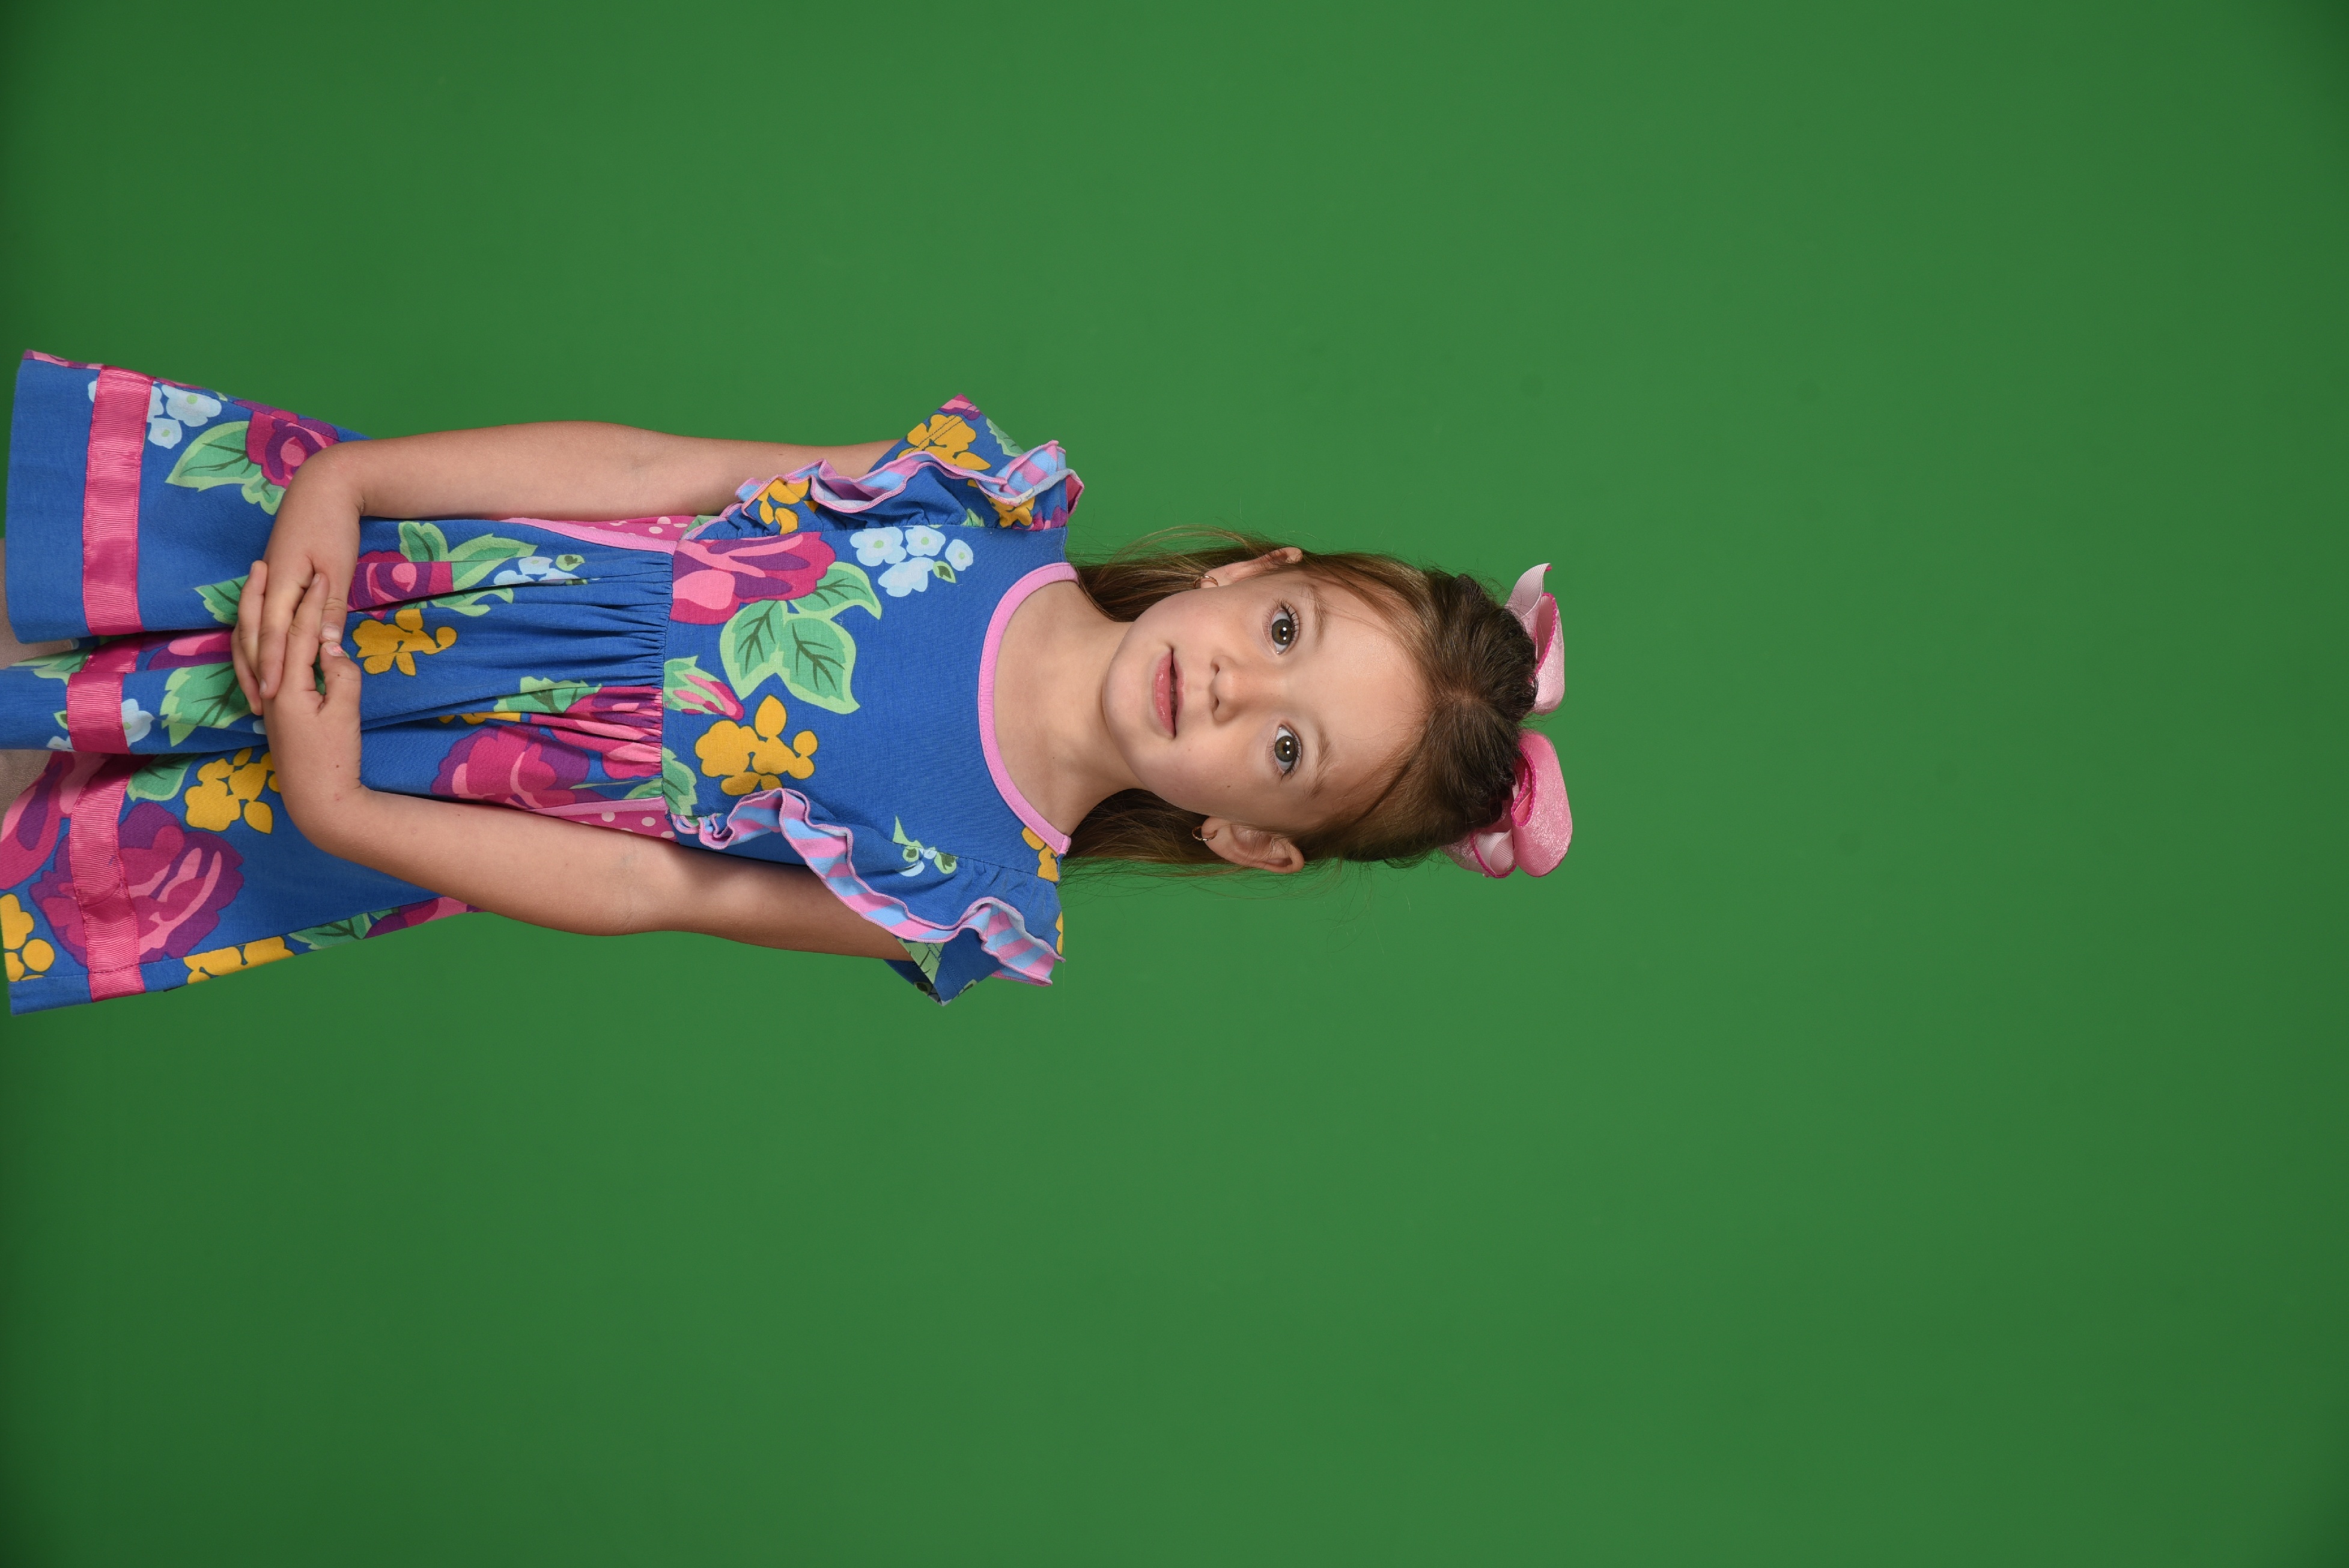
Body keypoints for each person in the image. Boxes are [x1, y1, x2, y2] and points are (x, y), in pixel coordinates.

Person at [0, 351, 1570, 1013]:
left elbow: (652, 892)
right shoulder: (978, 500)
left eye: (1287, 752)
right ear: (1256, 572)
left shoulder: (966, 892)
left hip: (399, 779)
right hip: (390, 563)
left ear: (1249, 838)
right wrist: (348, 483)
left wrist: (340, 806)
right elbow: (655, 471)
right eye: (1285, 634)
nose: (1231, 691)